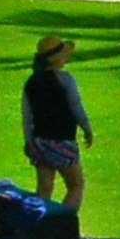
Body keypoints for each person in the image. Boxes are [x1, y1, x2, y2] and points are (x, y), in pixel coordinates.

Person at [21, 35, 91, 220]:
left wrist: (29, 141)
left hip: (39, 141)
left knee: (44, 189)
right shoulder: (65, 79)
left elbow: (27, 116)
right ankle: (61, 227)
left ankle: (37, 230)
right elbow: (76, 107)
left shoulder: (31, 82)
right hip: (62, 140)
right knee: (76, 185)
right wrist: (87, 129)